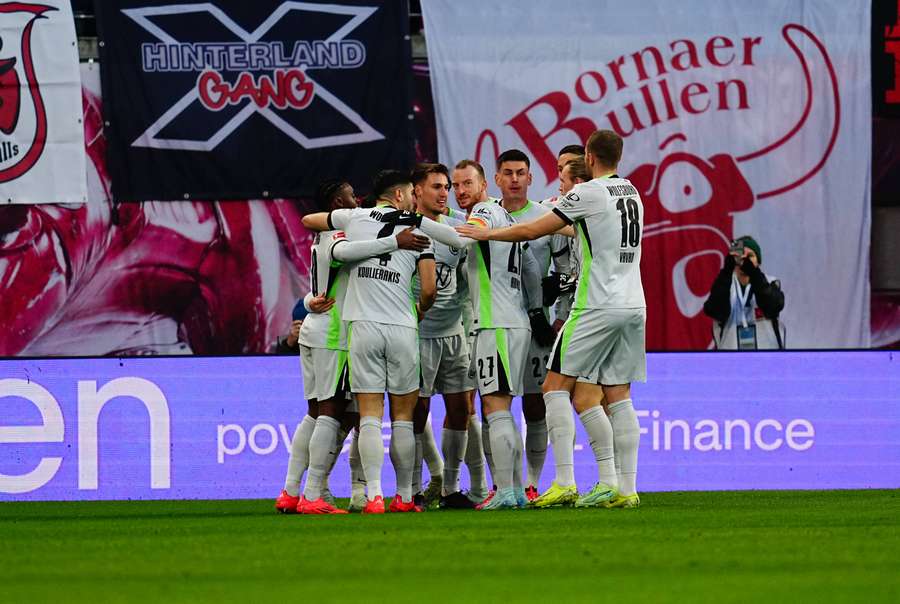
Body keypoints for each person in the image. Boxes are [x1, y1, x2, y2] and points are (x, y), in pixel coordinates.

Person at [456, 129, 645, 509]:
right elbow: (576, 229)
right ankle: (624, 489)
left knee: (553, 388)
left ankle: (564, 481)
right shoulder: (632, 192)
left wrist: (492, 232)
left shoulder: (587, 192)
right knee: (613, 395)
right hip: (633, 304)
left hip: (595, 304)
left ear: (589, 157)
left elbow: (534, 227)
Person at [282, 179, 431, 514]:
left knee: (335, 415)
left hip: (322, 331)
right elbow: (339, 256)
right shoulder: (342, 235)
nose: (358, 200)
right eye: (351, 196)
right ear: (338, 202)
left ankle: (303, 491)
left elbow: (320, 281)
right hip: (334, 334)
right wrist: (395, 241)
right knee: (332, 416)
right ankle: (311, 493)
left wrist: (308, 300)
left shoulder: (340, 231)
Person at [494, 149, 560, 501]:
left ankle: (531, 482)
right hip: (497, 322)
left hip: (537, 324)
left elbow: (567, 266)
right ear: (497, 179)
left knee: (535, 405)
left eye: (521, 172)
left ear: (531, 178)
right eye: (508, 172)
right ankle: (506, 482)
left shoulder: (547, 217)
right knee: (496, 404)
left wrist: (553, 288)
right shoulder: (489, 216)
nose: (515, 179)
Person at [410, 163, 477, 509]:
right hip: (418, 338)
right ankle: (412, 490)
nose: (443, 193)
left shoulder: (455, 230)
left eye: (446, 187)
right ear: (416, 191)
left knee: (461, 409)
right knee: (415, 413)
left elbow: (467, 284)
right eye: (436, 186)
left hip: (454, 335)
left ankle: (450, 488)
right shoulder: (406, 232)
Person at [703, 236, 785, 349]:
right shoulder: (724, 284)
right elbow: (714, 310)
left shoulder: (771, 282)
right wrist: (726, 271)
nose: (745, 260)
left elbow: (773, 306)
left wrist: (754, 273)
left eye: (750, 256)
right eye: (740, 256)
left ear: (758, 261)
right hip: (731, 361)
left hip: (766, 360)